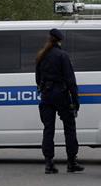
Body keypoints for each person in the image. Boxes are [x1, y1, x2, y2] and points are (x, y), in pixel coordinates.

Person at [35, 29, 84, 174]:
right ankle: (71, 162)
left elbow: (37, 79)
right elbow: (70, 80)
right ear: (59, 40)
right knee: (69, 127)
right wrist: (75, 101)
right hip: (61, 95)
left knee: (48, 129)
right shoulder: (62, 56)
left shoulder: (41, 56)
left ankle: (49, 164)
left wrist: (44, 89)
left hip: (46, 95)